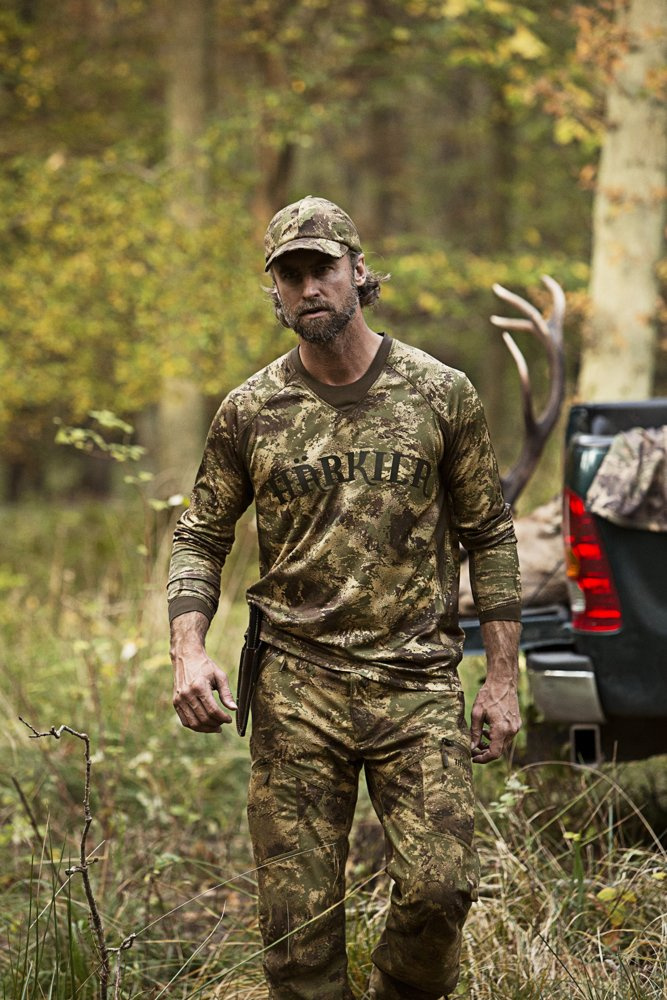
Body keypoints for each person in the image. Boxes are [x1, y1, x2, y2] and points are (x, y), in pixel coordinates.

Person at [168, 195, 522, 1000]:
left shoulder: (439, 392)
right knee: (297, 934)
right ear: (274, 290)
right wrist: (187, 650)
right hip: (295, 688)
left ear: (358, 272)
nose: (307, 287)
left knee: (440, 891)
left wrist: (500, 680)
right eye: (289, 274)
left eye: (322, 268)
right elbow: (200, 534)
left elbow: (491, 536)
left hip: (416, 682)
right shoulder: (249, 410)